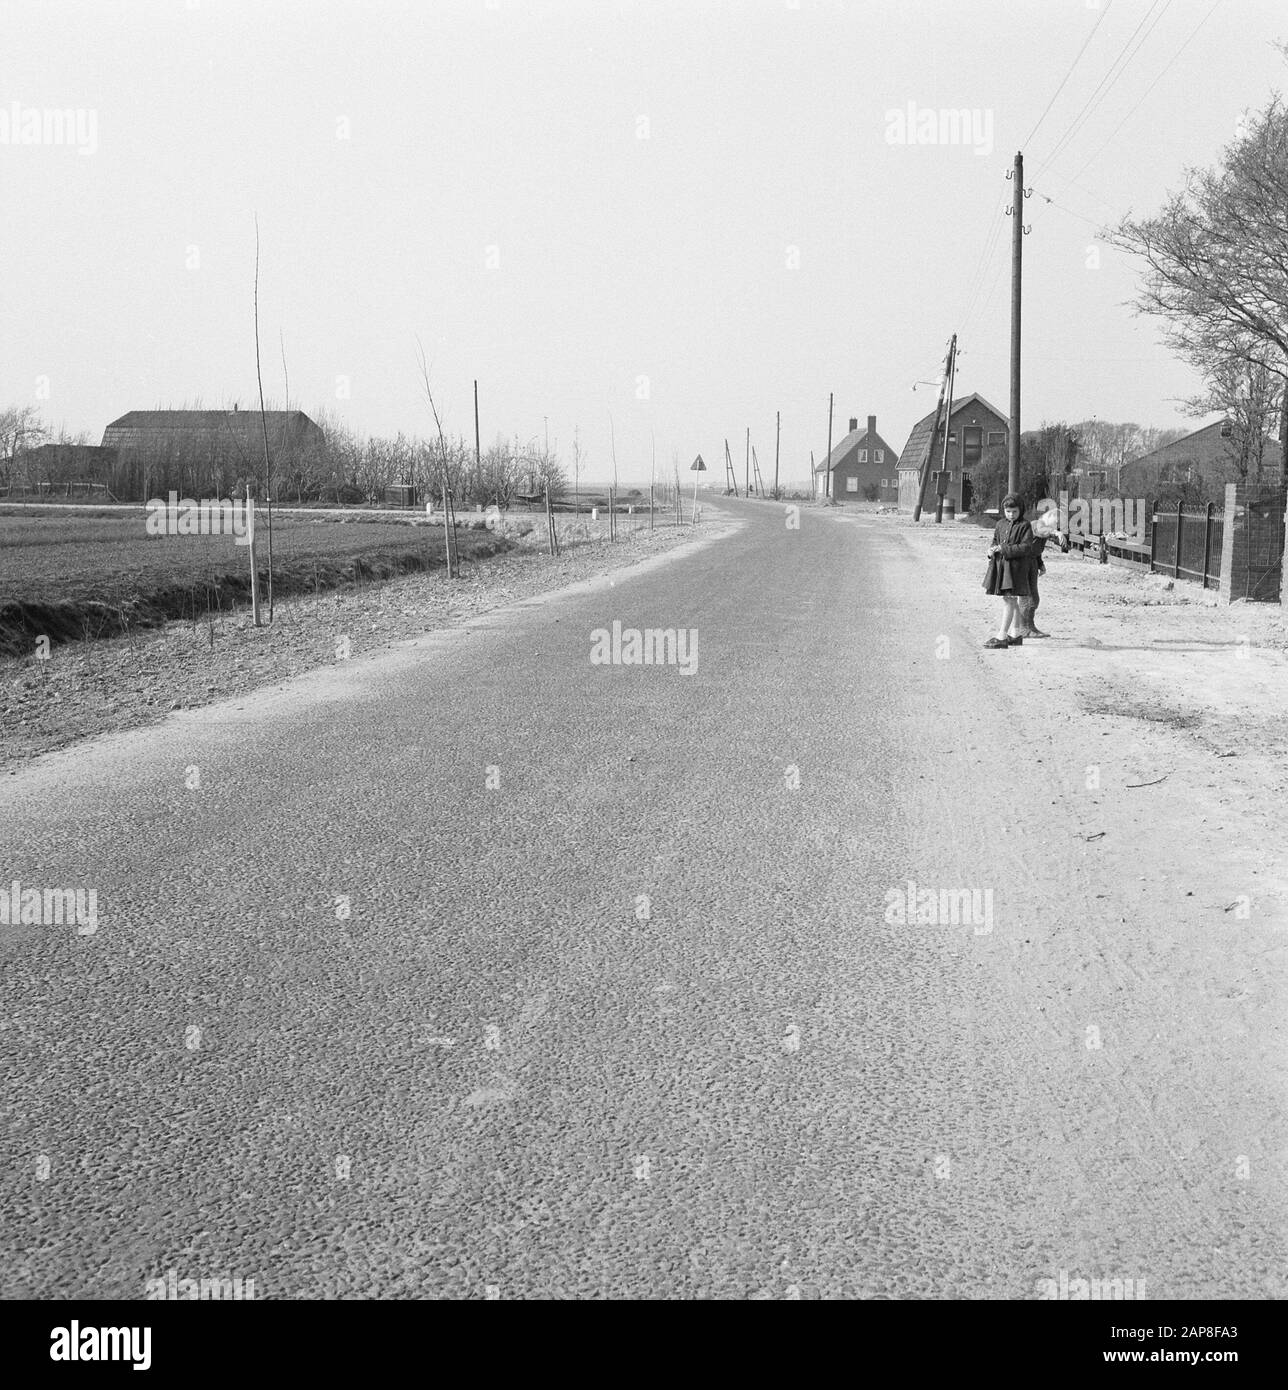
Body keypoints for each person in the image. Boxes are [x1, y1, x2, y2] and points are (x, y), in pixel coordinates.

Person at [982, 494, 1036, 648]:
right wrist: (991, 550)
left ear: (1021, 510)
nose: (1011, 515)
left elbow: (1026, 547)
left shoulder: (1025, 525)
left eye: (1014, 511)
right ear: (1003, 510)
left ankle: (1001, 636)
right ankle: (1016, 634)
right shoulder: (1000, 524)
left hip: (1016, 569)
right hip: (1002, 568)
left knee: (1009, 600)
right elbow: (995, 541)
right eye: (1008, 511)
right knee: (1011, 600)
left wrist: (1003, 549)